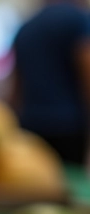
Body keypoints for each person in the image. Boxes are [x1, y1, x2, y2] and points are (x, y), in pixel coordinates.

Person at [12, 0, 90, 165]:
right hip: (69, 125)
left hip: (31, 125)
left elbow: (16, 87)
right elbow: (86, 72)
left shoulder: (25, 28)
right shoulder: (77, 19)